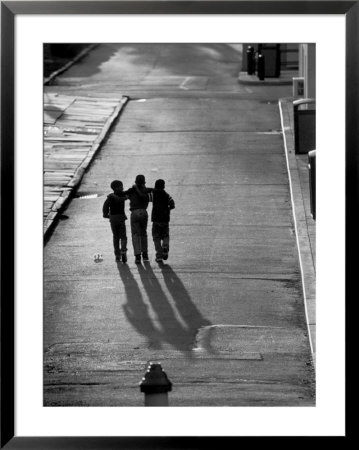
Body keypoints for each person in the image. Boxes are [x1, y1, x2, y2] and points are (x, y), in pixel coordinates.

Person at [123, 175, 152, 264]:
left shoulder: (131, 190)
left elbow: (124, 196)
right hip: (144, 212)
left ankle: (138, 256)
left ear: (135, 182)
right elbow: (150, 199)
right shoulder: (147, 191)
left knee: (135, 234)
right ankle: (145, 255)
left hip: (134, 213)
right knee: (143, 234)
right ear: (144, 182)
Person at [146, 179, 175, 262]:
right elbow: (172, 203)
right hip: (165, 219)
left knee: (156, 237)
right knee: (165, 235)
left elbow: (147, 198)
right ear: (164, 186)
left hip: (156, 219)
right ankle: (165, 245)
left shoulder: (153, 194)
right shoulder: (166, 195)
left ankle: (159, 255)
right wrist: (168, 209)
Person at [102, 180, 128, 263]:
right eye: (121, 186)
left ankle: (117, 255)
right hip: (120, 218)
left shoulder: (110, 197)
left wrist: (105, 214)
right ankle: (123, 250)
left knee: (116, 237)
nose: (122, 188)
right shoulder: (122, 194)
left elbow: (105, 206)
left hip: (113, 218)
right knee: (123, 236)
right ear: (116, 188)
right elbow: (129, 193)